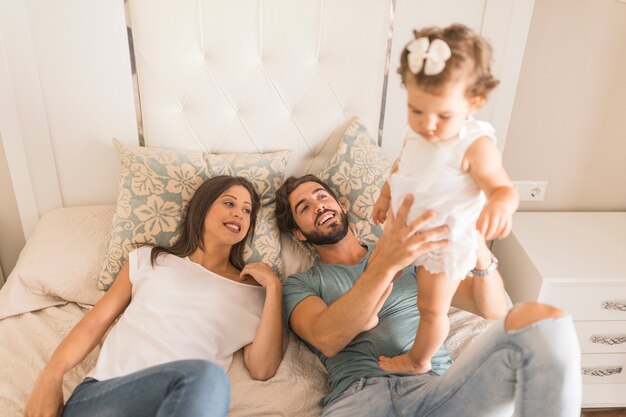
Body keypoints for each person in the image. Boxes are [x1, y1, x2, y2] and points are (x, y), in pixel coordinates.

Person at [275, 174, 581, 417]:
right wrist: (386, 265)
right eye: (304, 207)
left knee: (543, 321)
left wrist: (478, 249)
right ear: (299, 234)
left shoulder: (411, 253)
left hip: (436, 391)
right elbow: (327, 336)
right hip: (359, 399)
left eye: (322, 196)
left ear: (341, 205)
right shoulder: (301, 284)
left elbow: (492, 309)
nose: (318, 206)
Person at [24, 176, 283, 417]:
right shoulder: (150, 259)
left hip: (187, 403)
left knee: (209, 378)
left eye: (247, 210)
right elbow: (94, 323)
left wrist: (273, 288)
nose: (239, 213)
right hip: (108, 395)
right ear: (201, 208)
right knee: (206, 376)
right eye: (229, 203)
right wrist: (51, 375)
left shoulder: (253, 292)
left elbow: (263, 369)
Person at [371, 23, 519, 374]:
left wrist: (499, 204)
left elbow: (503, 188)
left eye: (443, 115)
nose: (428, 125)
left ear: (474, 102)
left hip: (443, 243)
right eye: (416, 110)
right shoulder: (417, 132)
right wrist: (384, 194)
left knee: (431, 307)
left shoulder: (475, 145)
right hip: (405, 232)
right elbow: (401, 164)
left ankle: (418, 360)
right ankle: (367, 315)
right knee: (378, 272)